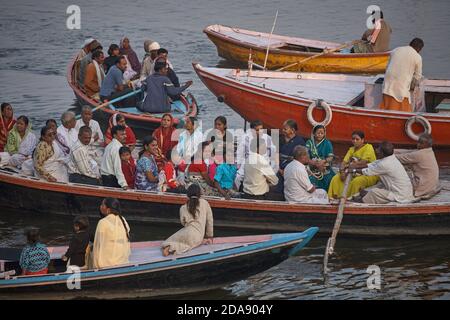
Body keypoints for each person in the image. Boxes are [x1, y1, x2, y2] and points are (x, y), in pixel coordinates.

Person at [350, 141, 415, 204]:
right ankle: (367, 195)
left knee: (374, 191)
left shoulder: (384, 164)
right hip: (403, 192)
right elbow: (372, 164)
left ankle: (362, 201)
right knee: (378, 186)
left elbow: (366, 172)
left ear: (382, 153)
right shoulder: (391, 158)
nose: (376, 150)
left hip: (400, 196)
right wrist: (355, 165)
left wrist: (353, 170)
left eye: (378, 149)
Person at [161, 184, 213, 256]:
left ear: (188, 195)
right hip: (198, 236)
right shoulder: (205, 203)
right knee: (188, 245)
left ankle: (168, 247)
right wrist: (209, 236)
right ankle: (171, 248)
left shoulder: (183, 207)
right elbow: (209, 221)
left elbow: (183, 222)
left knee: (168, 241)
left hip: (186, 232)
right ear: (199, 194)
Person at [328, 130, 379, 199]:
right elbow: (344, 162)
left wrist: (348, 166)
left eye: (357, 139)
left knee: (356, 182)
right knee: (336, 178)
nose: (354, 141)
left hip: (368, 174)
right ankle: (333, 197)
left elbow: (362, 162)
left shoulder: (368, 147)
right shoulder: (351, 149)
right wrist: (342, 172)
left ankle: (349, 199)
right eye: (353, 139)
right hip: (353, 172)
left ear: (362, 140)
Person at [379, 38, 424, 112]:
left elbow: (387, 67)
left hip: (387, 83)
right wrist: (411, 87)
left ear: (410, 43)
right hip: (401, 87)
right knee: (403, 109)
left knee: (387, 106)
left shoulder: (396, 50)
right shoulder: (417, 57)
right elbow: (417, 76)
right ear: (419, 49)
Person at [395, 133, 440, 199]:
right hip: (430, 187)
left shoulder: (419, 155)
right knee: (408, 165)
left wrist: (387, 152)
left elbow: (398, 158)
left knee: (394, 164)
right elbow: (409, 152)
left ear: (427, 144)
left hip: (421, 188)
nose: (418, 144)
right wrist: (394, 150)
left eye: (421, 143)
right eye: (418, 142)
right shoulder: (429, 151)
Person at [93, 198, 131, 268]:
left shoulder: (102, 222)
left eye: (102, 205)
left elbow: (97, 246)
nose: (100, 207)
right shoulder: (123, 220)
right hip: (122, 261)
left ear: (108, 209)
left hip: (106, 264)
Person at [275, 119, 306, 195]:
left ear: (292, 130)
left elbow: (301, 160)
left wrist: (288, 170)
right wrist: (279, 169)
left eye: (285, 129)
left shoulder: (300, 141)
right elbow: (275, 155)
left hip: (293, 171)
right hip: (280, 170)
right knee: (278, 191)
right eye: (283, 129)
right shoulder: (280, 139)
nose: (283, 130)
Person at [306, 125, 335, 191]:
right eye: (318, 133)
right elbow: (306, 157)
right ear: (313, 133)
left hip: (324, 167)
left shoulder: (327, 143)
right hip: (312, 167)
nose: (320, 135)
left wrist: (323, 161)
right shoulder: (309, 143)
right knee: (310, 178)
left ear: (324, 134)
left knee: (330, 178)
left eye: (322, 133)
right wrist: (313, 163)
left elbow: (330, 157)